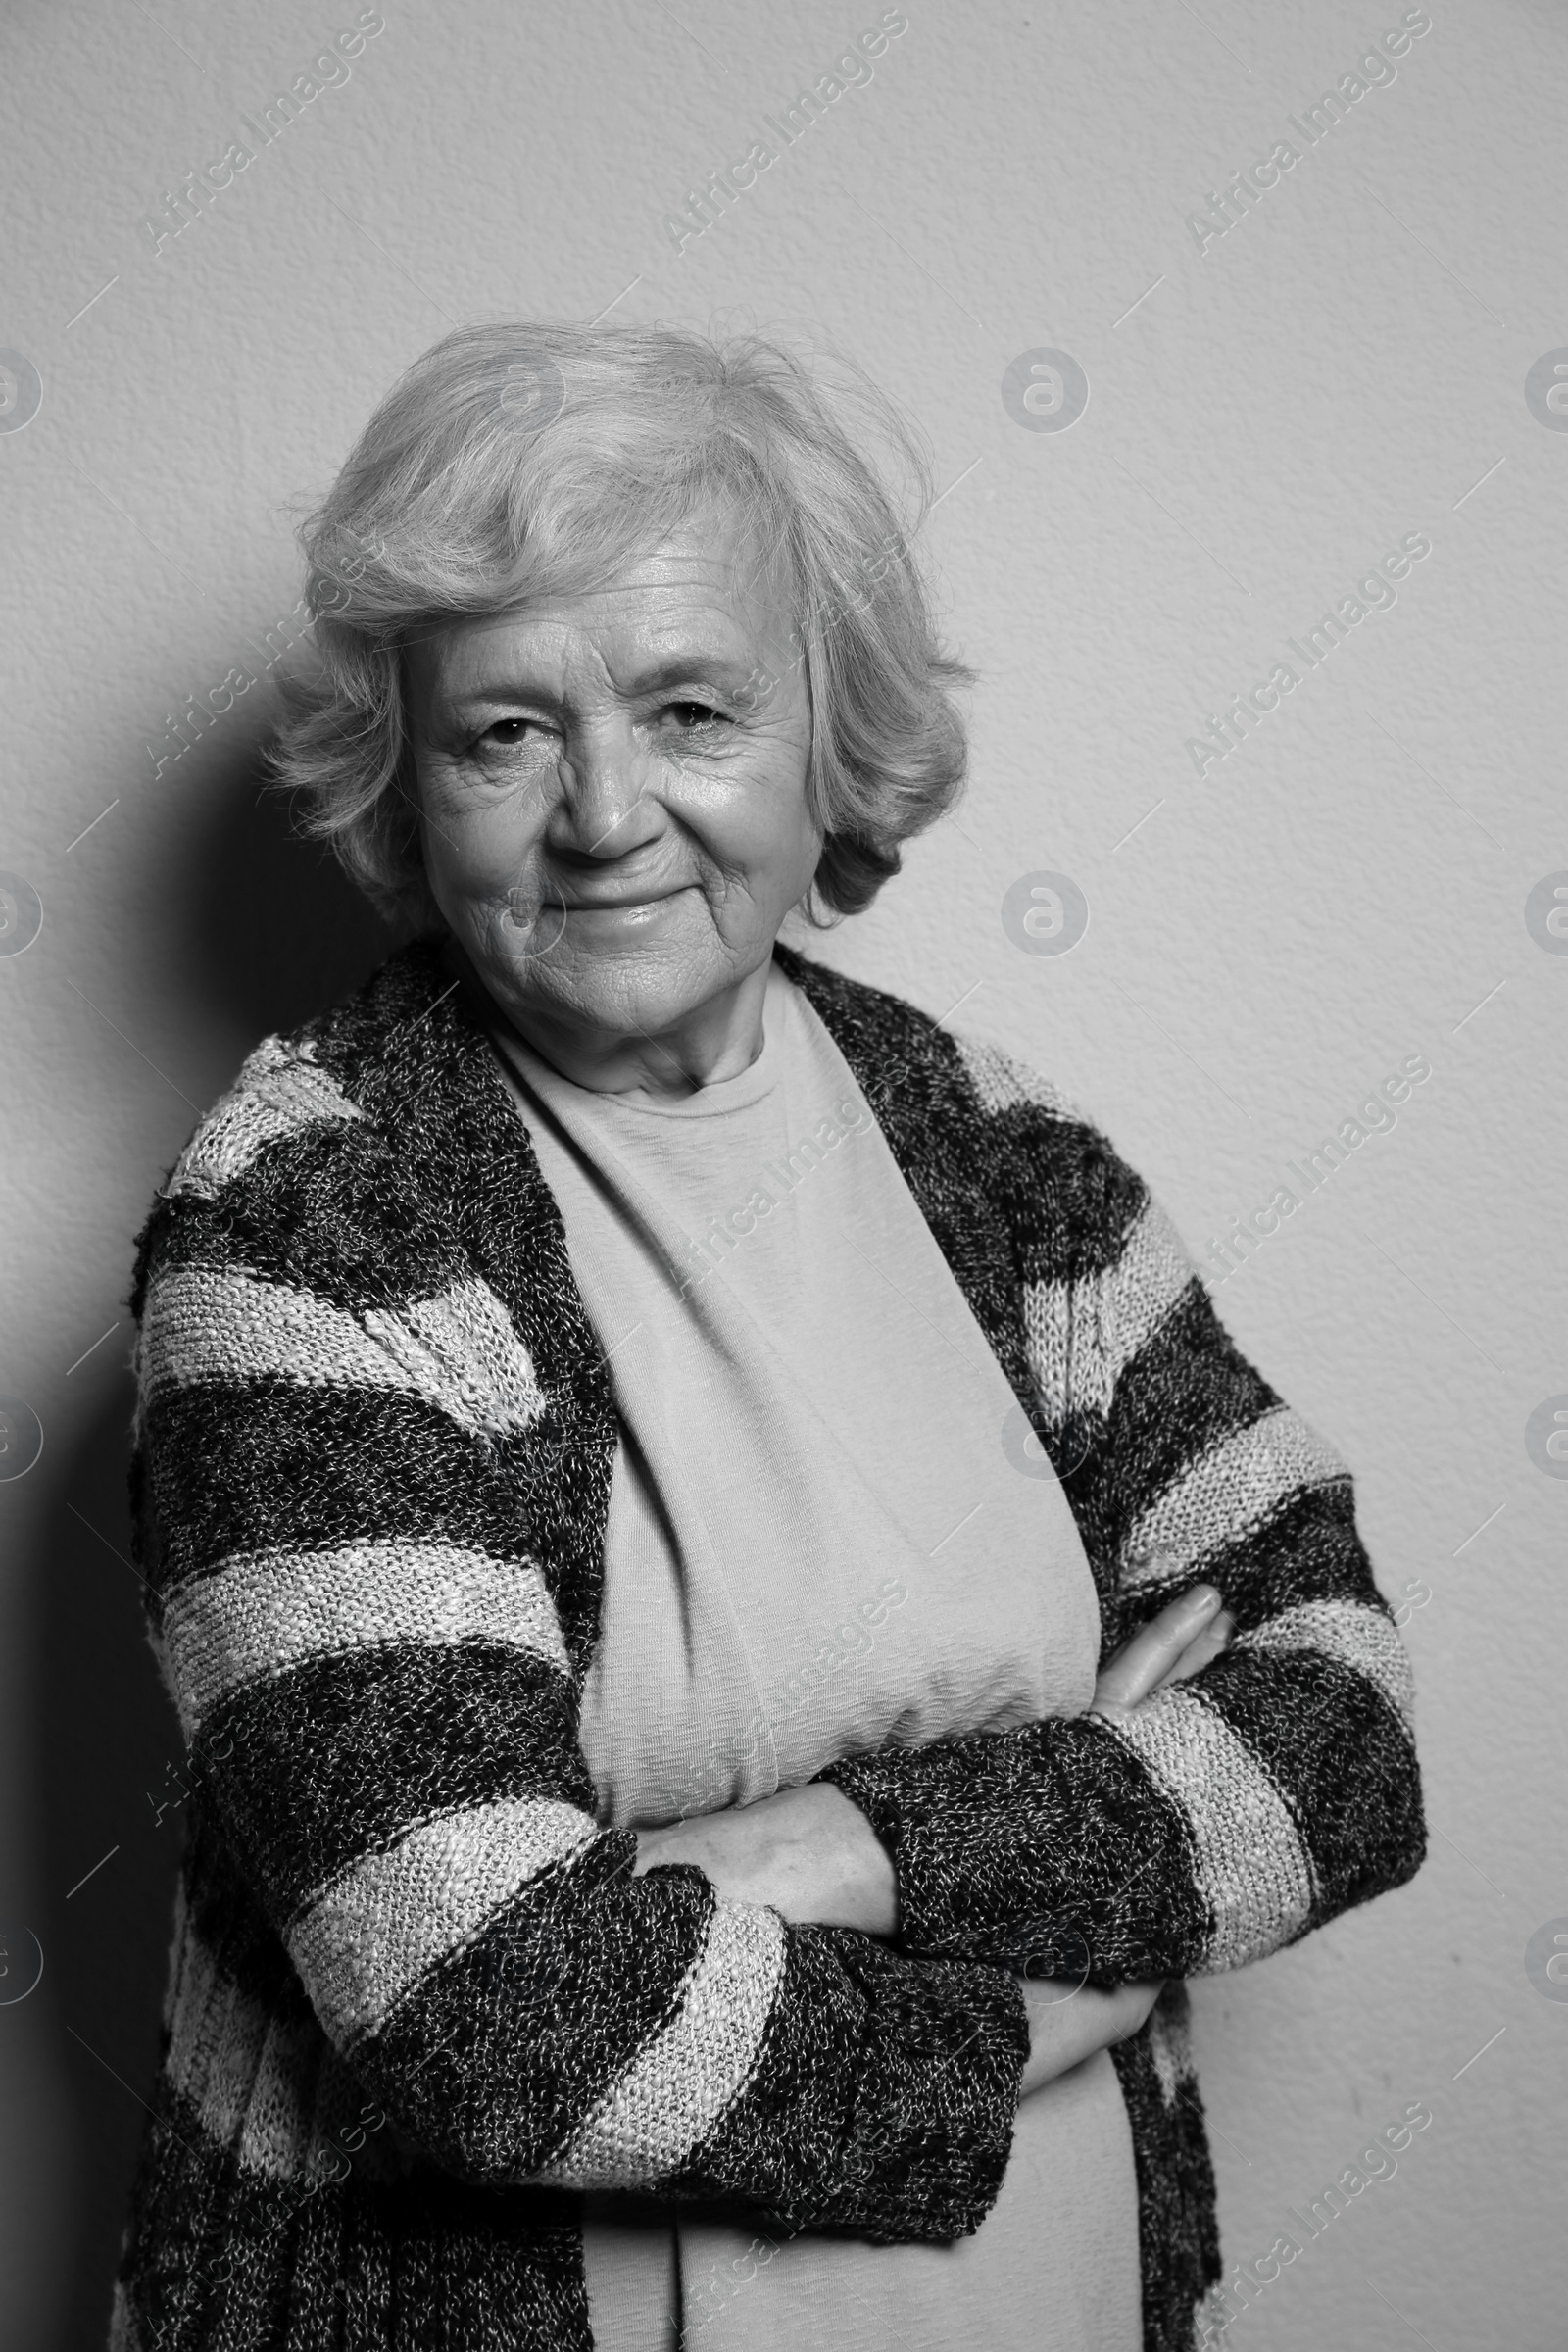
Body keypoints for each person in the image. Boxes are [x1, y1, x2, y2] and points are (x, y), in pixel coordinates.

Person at [111, 321, 1426, 2352]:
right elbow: (490, 2025)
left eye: (689, 706)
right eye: (503, 733)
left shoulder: (999, 1158)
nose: (604, 813)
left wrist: (813, 1853)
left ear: (833, 742)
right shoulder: (310, 1228)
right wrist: (1066, 1958)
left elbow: (1333, 1738)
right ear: (408, 779)